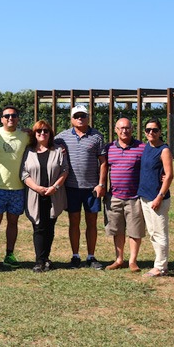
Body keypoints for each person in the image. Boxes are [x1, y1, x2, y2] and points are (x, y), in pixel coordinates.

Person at [54, 105, 107, 269]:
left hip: (92, 188)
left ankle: (91, 256)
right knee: (74, 221)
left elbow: (103, 162)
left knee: (92, 222)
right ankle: (75, 256)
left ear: (88, 117)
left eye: (83, 115)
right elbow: (46, 145)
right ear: (71, 119)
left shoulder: (97, 137)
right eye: (76, 116)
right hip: (71, 187)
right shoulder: (61, 137)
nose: (80, 118)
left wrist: (101, 184)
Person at [0, 105, 30, 269]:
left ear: (18, 118)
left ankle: (9, 254)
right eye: (7, 116)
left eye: (14, 115)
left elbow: (43, 140)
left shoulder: (25, 135)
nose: (11, 118)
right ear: (1, 119)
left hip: (17, 187)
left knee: (13, 222)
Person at [21, 121, 69, 272]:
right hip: (35, 195)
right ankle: (39, 261)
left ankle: (46, 258)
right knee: (38, 227)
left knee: (50, 227)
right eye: (39, 131)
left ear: (50, 133)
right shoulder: (28, 151)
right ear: (34, 134)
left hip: (53, 194)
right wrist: (37, 188)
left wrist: (55, 187)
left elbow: (65, 170)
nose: (42, 133)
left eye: (46, 131)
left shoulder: (58, 151)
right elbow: (24, 173)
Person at [104, 118, 146, 272]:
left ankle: (133, 261)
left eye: (127, 128)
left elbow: (151, 165)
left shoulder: (142, 147)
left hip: (134, 197)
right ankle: (119, 259)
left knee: (135, 230)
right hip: (114, 197)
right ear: (116, 130)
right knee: (117, 230)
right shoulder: (109, 148)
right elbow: (102, 167)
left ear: (132, 129)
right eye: (121, 128)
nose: (124, 131)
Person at [138, 118, 174, 277]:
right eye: (148, 130)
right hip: (145, 196)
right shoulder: (146, 147)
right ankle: (160, 264)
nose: (151, 133)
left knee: (160, 233)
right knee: (153, 232)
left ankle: (160, 267)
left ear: (160, 132)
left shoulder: (164, 150)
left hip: (157, 198)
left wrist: (160, 196)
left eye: (154, 130)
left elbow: (169, 175)